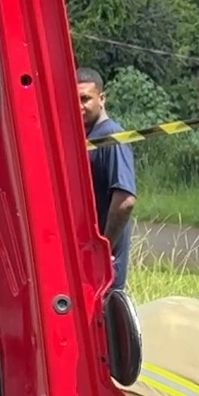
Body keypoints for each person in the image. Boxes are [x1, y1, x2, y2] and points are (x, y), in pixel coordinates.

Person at [77, 67, 137, 290]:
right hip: (88, 265)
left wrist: (103, 250)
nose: (79, 106)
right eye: (74, 99)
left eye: (85, 99)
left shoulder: (112, 137)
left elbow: (125, 201)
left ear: (101, 99)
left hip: (106, 269)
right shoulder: (86, 136)